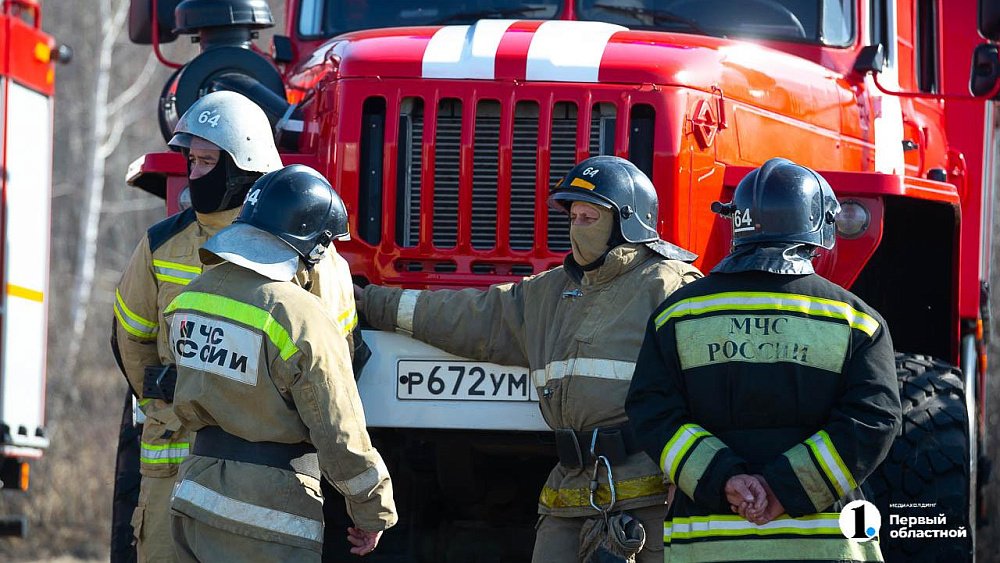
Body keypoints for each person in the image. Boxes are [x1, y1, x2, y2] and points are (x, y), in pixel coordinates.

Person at [357, 155, 702, 563]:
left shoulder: (669, 286)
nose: (576, 229)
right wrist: (368, 301)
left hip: (646, 499)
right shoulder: (548, 292)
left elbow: (706, 389)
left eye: (589, 218)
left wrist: (689, 475)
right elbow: (466, 316)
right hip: (569, 492)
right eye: (572, 217)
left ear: (626, 223)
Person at [110, 91, 362, 562]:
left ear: (243, 167)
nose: (193, 172)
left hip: (263, 471)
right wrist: (163, 403)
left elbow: (336, 362)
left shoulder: (309, 253)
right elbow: (130, 336)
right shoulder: (162, 244)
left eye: (208, 162)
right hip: (173, 460)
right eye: (192, 159)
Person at [625, 157, 902, 562]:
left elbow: (651, 412)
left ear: (736, 226)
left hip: (706, 546)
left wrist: (727, 480)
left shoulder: (677, 315)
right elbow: (874, 419)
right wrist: (780, 489)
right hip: (823, 547)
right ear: (818, 230)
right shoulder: (856, 320)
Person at [164, 164, 397, 561]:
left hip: (194, 498)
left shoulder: (189, 299)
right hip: (268, 513)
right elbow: (338, 432)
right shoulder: (300, 315)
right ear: (313, 246)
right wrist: (372, 509)